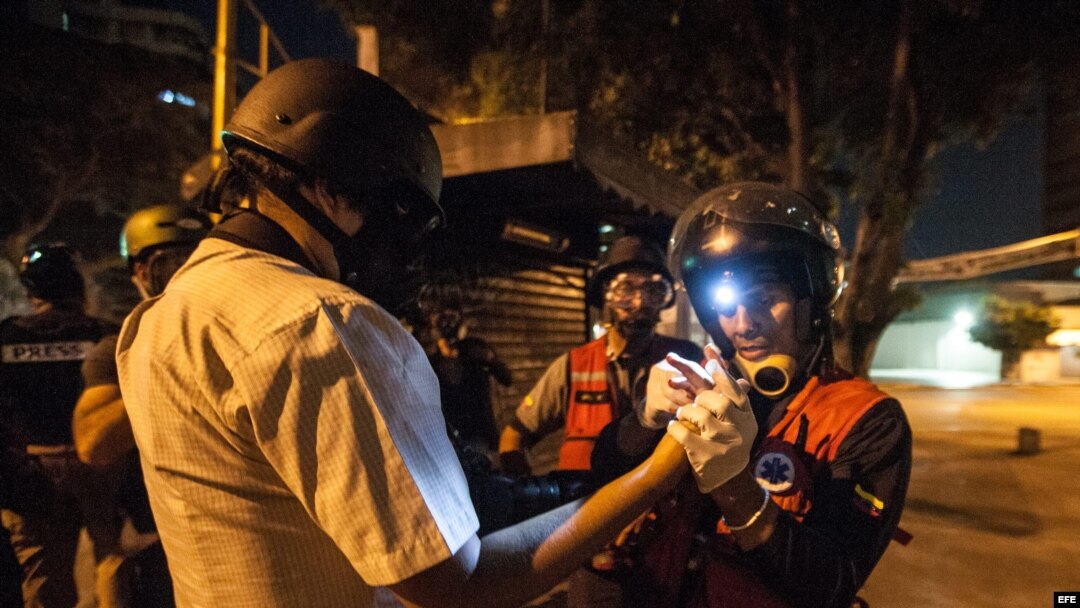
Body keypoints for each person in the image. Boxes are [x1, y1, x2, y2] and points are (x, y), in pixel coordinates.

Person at [113, 58, 694, 608]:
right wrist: (659, 470)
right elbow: (457, 584)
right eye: (401, 215)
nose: (403, 246)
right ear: (340, 187)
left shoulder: (165, 313)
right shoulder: (321, 321)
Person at [590, 181, 913, 607]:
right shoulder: (701, 387)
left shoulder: (869, 419)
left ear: (809, 301)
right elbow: (601, 477)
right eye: (726, 306)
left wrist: (735, 486)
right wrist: (644, 419)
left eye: (764, 298)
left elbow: (833, 581)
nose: (743, 324)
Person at [72, 203, 212, 607]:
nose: (185, 276)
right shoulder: (118, 350)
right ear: (140, 272)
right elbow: (94, 442)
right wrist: (173, 366)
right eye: (171, 264)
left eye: (196, 261)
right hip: (155, 539)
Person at [498, 235, 704, 477]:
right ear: (605, 296)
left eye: (653, 290)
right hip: (590, 509)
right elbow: (514, 435)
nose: (639, 303)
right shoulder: (573, 366)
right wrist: (529, 495)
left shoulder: (686, 359)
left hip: (663, 508)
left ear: (664, 300)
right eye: (626, 290)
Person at [0, 243, 117, 607]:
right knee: (117, 563)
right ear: (78, 289)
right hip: (106, 467)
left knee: (43, 576)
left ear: (32, 291)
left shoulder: (6, 338)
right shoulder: (107, 334)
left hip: (33, 471)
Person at [419, 290, 512, 452]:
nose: (447, 322)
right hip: (450, 442)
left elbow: (507, 379)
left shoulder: (475, 347)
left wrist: (491, 361)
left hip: (481, 437)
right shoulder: (429, 360)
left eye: (451, 315)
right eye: (440, 316)